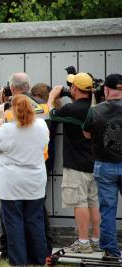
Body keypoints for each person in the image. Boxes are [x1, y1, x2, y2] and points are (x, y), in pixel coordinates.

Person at [0, 74, 53, 259]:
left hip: (11, 182)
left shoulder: (6, 125)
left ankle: (19, 260)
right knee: (35, 221)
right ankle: (39, 258)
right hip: (36, 177)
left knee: (13, 222)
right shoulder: (42, 122)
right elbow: (45, 143)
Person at [47, 72, 100, 253]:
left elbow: (50, 115)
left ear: (75, 89)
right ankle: (95, 240)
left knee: (80, 203)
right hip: (94, 163)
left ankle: (83, 242)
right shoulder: (96, 107)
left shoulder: (72, 109)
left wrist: (52, 97)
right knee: (93, 202)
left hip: (76, 164)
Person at [82, 73, 122, 259]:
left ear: (106, 89)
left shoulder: (95, 110)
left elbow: (87, 134)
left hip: (104, 166)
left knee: (107, 210)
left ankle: (111, 252)